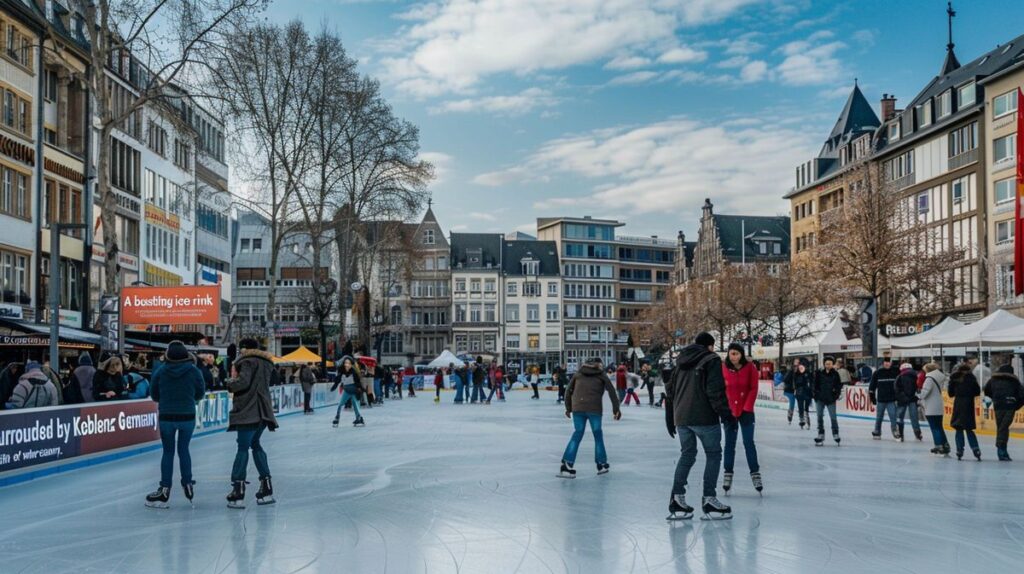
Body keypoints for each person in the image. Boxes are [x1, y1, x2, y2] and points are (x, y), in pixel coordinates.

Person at [664, 332, 733, 522]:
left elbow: (670, 390)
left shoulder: (681, 361)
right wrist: (727, 415)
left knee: (687, 455)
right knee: (713, 454)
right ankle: (709, 499)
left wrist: (670, 418)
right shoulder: (711, 360)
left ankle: (677, 500)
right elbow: (715, 391)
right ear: (710, 346)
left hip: (682, 417)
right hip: (704, 417)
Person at [145, 341, 206, 509]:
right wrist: (190, 399)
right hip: (187, 416)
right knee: (184, 449)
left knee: (168, 452)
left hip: (166, 416)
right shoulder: (194, 371)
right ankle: (187, 483)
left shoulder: (160, 371)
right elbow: (200, 392)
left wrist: (165, 400)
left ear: (168, 355)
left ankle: (164, 489)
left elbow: (154, 394)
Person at [226, 338, 280, 508]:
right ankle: (266, 486)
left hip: (249, 412)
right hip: (263, 412)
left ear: (244, 349)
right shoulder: (266, 363)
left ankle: (238, 489)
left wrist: (228, 382)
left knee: (243, 447)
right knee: (255, 444)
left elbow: (243, 382)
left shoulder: (247, 361)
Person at [559, 357, 621, 479]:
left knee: (577, 434)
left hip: (578, 408)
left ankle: (567, 463)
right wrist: (616, 409)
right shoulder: (601, 374)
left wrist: (568, 408)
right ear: (598, 365)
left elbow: (568, 391)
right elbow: (612, 391)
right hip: (594, 408)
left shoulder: (578, 374)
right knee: (597, 435)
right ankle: (601, 463)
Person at [721, 343, 761, 494]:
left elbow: (753, 387)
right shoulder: (723, 368)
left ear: (742, 355)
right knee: (729, 444)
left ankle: (755, 472)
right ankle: (728, 472)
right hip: (729, 412)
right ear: (728, 354)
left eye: (737, 354)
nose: (734, 357)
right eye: (732, 354)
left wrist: (747, 407)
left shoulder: (750, 367)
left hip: (746, 411)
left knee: (748, 442)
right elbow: (721, 389)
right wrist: (725, 408)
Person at [983, 364, 1024, 461]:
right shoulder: (1015, 382)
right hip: (1010, 406)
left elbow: (986, 390)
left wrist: (995, 398)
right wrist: (1016, 405)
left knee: (1002, 427)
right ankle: (1001, 449)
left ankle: (1002, 451)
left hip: (998, 406)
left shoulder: (993, 380)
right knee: (1004, 427)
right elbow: (1022, 395)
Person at [948, 362, 981, 461]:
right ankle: (976, 449)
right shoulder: (972, 379)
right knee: (969, 429)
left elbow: (950, 393)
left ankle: (959, 450)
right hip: (969, 405)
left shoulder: (954, 378)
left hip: (958, 404)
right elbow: (977, 392)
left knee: (959, 429)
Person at [918, 363, 950, 456]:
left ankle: (938, 445)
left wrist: (918, 395)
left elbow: (924, 393)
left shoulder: (929, 379)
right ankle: (945, 445)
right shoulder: (939, 378)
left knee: (934, 427)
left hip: (931, 407)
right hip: (938, 405)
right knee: (939, 427)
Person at [811, 356, 843, 446]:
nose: (827, 365)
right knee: (819, 417)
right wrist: (815, 395)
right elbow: (814, 384)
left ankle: (835, 433)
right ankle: (821, 434)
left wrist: (835, 396)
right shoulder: (819, 373)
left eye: (829, 364)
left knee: (833, 417)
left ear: (832, 364)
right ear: (824, 364)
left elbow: (838, 386)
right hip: (820, 399)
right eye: (826, 364)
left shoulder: (835, 374)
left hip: (830, 399)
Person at [869, 358, 900, 440]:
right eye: (885, 362)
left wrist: (899, 396)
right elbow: (872, 386)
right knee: (879, 417)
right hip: (881, 399)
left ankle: (895, 431)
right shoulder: (877, 373)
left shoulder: (895, 372)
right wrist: (872, 398)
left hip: (891, 399)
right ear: (883, 363)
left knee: (893, 416)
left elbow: (899, 385)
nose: (887, 364)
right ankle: (877, 431)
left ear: (891, 363)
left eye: (888, 362)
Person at [330, 356, 365, 427]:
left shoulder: (354, 372)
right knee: (340, 404)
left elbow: (358, 382)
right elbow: (338, 380)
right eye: (346, 363)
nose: (347, 365)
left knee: (355, 405)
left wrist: (360, 389)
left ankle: (359, 418)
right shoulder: (342, 372)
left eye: (349, 363)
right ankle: (337, 418)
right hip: (347, 391)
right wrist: (335, 385)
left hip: (353, 390)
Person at [894, 362, 922, 442]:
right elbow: (919, 388)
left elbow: (896, 388)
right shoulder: (916, 376)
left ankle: (901, 434)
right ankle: (918, 433)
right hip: (912, 399)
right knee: (914, 417)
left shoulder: (899, 377)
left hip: (902, 400)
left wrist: (902, 396)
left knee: (900, 417)